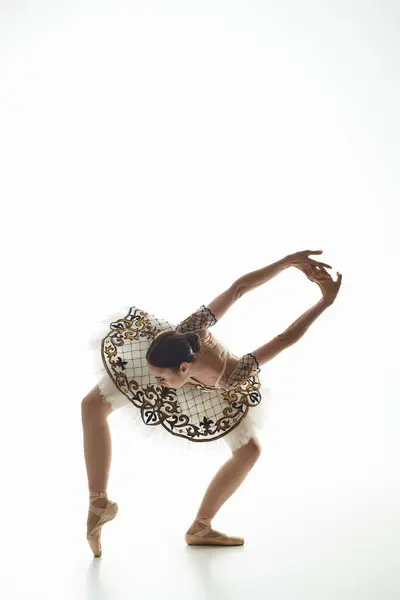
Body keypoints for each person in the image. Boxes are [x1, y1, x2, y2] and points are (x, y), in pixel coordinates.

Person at [81, 250, 342, 555]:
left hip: (212, 391)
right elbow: (236, 289)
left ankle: (201, 526)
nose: (154, 383)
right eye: (154, 377)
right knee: (92, 405)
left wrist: (324, 301)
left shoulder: (232, 374)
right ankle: (98, 503)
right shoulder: (186, 332)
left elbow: (283, 338)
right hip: (169, 362)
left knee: (249, 451)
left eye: (160, 379)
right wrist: (287, 262)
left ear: (183, 368)